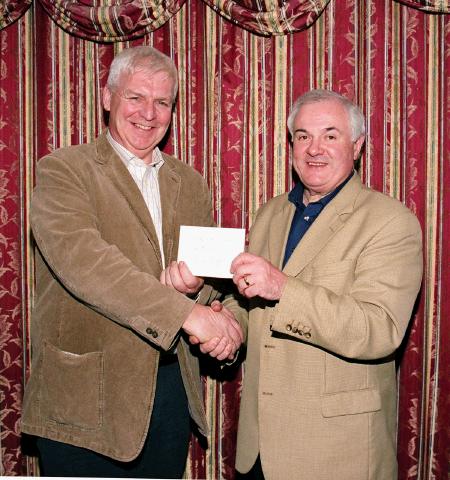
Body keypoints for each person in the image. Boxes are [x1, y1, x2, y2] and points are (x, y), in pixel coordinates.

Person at [20, 45, 243, 478]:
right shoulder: (64, 170)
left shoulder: (191, 183)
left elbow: (208, 279)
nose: (149, 113)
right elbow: (86, 263)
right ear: (108, 98)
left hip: (169, 394)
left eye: (162, 102)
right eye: (135, 97)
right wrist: (187, 313)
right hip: (86, 402)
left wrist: (200, 291)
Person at [227, 89, 423, 480]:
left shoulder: (390, 222)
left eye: (330, 136)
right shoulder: (271, 213)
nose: (314, 149)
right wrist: (227, 325)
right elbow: (255, 307)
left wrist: (283, 288)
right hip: (260, 449)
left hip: (337, 453)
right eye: (303, 136)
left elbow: (379, 330)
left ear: (358, 145)